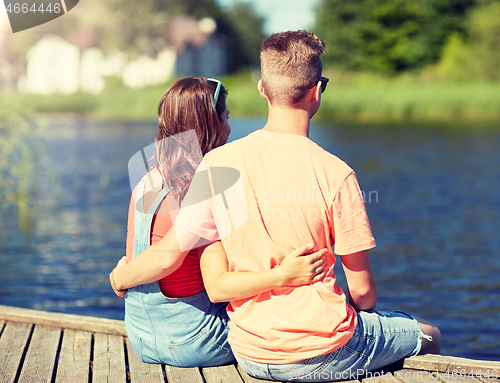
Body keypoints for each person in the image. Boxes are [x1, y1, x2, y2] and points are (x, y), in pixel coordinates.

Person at [111, 77, 328, 368]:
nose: (228, 127)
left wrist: (120, 276)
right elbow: (171, 260)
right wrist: (283, 275)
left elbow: (142, 251)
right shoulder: (204, 185)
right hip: (196, 339)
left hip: (142, 339)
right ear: (209, 126)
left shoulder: (147, 179)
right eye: (225, 118)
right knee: (276, 330)